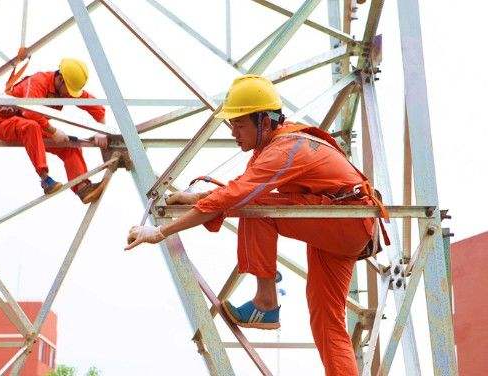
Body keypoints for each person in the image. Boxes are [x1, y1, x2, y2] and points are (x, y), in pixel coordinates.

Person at [126, 74, 386, 375]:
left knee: (254, 208)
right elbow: (237, 189)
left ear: (264, 121)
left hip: (347, 219)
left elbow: (239, 197)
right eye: (231, 124)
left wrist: (159, 232)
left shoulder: (284, 149)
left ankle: (266, 301)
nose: (233, 132)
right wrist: (194, 196)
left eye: (239, 124)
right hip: (344, 226)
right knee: (327, 324)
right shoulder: (273, 149)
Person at [0, 58, 108, 204]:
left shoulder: (67, 89)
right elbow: (29, 112)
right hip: (5, 123)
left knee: (70, 146)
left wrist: (102, 130)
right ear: (60, 79)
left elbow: (96, 107)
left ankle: (82, 187)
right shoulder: (39, 81)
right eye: (69, 91)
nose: (69, 95)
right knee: (31, 125)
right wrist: (53, 131)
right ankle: (45, 180)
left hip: (35, 128)